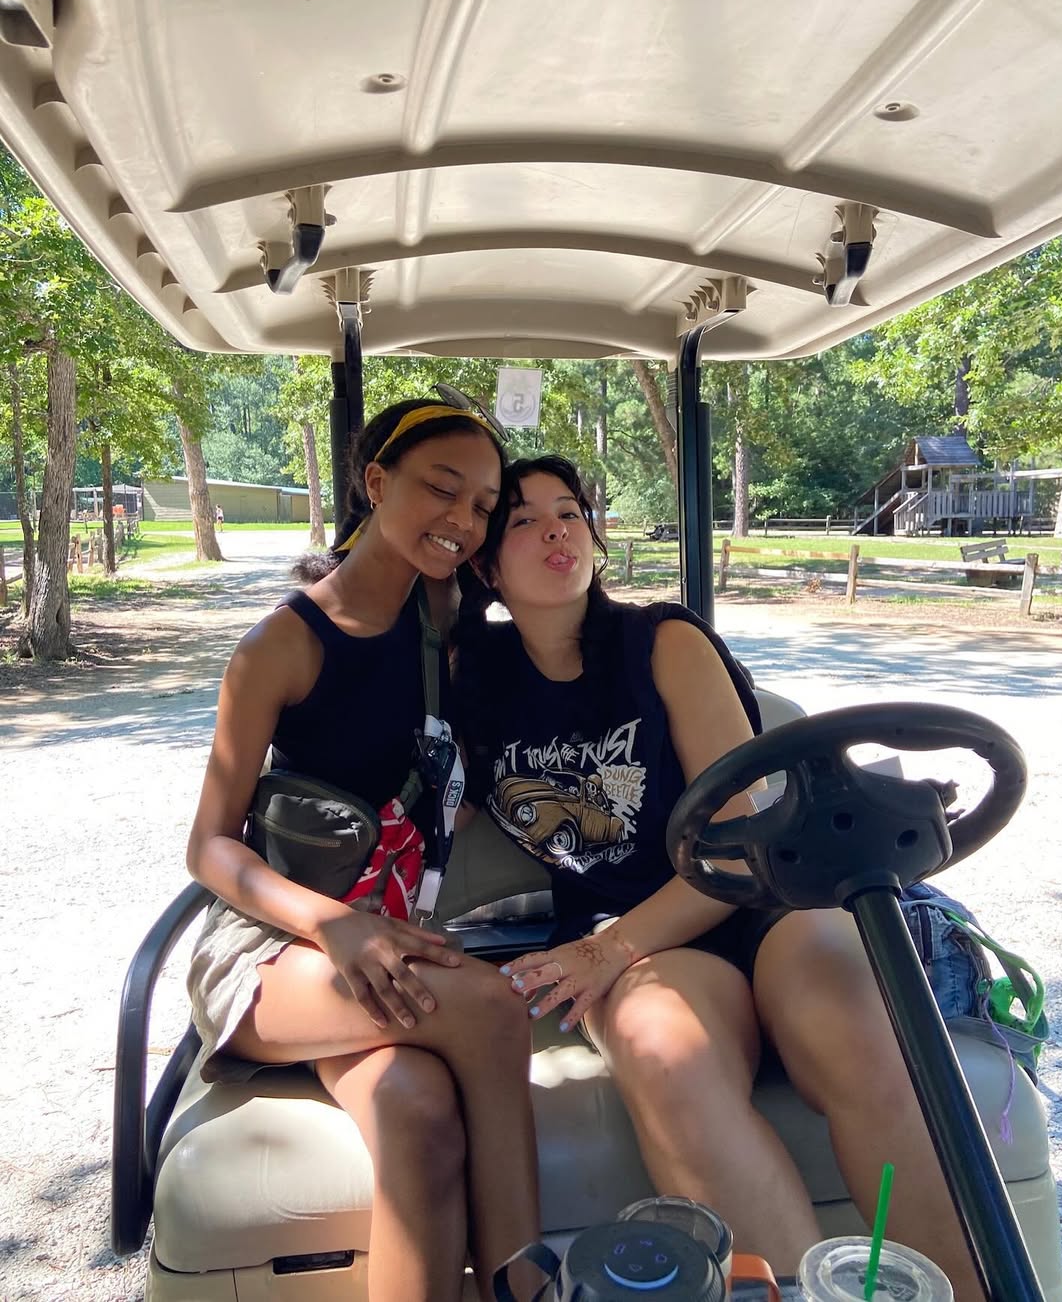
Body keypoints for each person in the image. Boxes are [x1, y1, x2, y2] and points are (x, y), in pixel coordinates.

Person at [453, 454, 982, 1298]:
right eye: (522, 520)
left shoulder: (663, 642)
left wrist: (606, 952)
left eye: (569, 511)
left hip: (760, 900)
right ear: (485, 565)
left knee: (856, 1027)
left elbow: (739, 844)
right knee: (668, 1055)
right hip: (639, 942)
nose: (556, 530)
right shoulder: (471, 682)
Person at [186, 400, 539, 1302]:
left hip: (383, 948)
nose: (463, 521)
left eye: (482, 506)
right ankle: (524, 1287)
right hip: (275, 952)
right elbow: (208, 849)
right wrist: (333, 925)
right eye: (442, 489)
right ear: (376, 483)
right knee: (493, 1012)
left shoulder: (449, 619)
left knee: (419, 1115)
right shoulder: (281, 646)